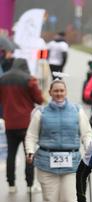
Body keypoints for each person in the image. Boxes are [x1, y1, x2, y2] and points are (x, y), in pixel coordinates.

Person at [24, 80, 92, 202]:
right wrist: (30, 151)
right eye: (56, 91)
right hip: (47, 162)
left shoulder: (77, 111)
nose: (59, 93)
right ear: (50, 92)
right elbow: (31, 135)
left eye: (62, 90)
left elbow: (86, 133)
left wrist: (89, 149)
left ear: (66, 92)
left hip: (71, 163)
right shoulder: (41, 112)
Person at [0, 58, 44, 193]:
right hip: (27, 124)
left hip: (10, 123)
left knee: (11, 154)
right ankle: (30, 184)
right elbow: (39, 100)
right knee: (29, 153)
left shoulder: (2, 79)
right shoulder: (29, 80)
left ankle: (11, 184)